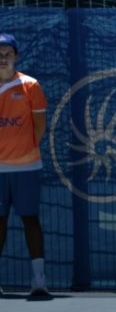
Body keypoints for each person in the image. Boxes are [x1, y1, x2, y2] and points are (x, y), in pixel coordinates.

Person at [0, 33, 49, 297]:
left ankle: (39, 281)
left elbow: (39, 126)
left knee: (30, 219)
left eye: (7, 53)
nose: (2, 58)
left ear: (16, 57)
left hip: (26, 167)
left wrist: (25, 150)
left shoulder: (30, 86)